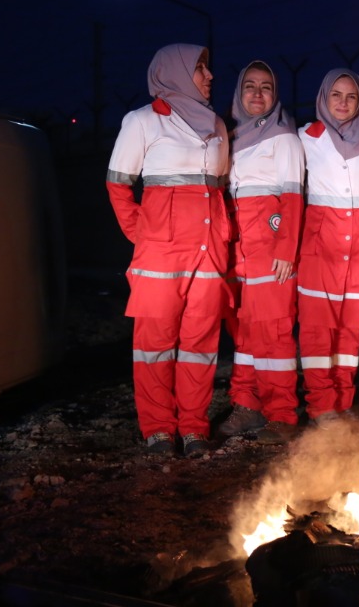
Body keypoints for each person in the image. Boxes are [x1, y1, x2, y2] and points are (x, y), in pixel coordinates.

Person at [106, 43, 231, 457]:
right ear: (174, 72)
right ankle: (158, 428)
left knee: (201, 343)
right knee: (154, 343)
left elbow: (221, 187)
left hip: (208, 250)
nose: (209, 76)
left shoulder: (216, 123)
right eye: (200, 69)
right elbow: (118, 186)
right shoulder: (142, 121)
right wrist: (143, 235)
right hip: (161, 255)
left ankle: (194, 426)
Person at [218, 61, 305, 444]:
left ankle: (282, 413)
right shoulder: (229, 136)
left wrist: (286, 249)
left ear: (276, 94)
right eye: (250, 86)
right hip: (237, 240)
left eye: (266, 87)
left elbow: (293, 195)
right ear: (238, 92)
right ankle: (247, 406)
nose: (257, 93)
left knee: (274, 329)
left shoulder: (284, 136)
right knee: (245, 332)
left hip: (270, 244)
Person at [298, 69, 359, 425]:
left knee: (350, 328)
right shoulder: (305, 137)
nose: (344, 103)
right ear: (323, 98)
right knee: (317, 328)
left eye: (351, 97)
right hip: (321, 245)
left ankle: (343, 400)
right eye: (336, 95)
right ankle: (321, 405)